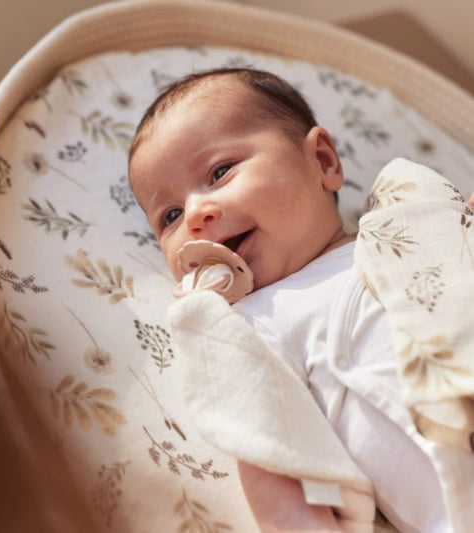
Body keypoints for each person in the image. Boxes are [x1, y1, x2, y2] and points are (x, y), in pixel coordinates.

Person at [128, 68, 474, 532]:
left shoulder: (412, 216)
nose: (195, 214)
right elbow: (268, 450)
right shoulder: (247, 326)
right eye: (169, 215)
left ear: (323, 162)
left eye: (219, 172)